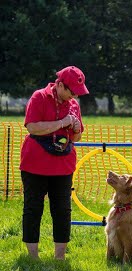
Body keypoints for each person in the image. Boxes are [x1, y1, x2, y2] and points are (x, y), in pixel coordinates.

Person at [20, 66, 89, 260]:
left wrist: (75, 128)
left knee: (62, 210)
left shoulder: (74, 104)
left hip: (63, 166)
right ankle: (33, 258)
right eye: (72, 91)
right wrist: (61, 122)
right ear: (59, 85)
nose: (74, 96)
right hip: (35, 164)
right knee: (33, 209)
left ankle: (60, 257)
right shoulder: (39, 97)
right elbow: (32, 127)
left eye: (77, 93)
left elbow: (76, 138)